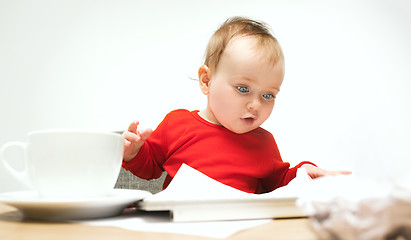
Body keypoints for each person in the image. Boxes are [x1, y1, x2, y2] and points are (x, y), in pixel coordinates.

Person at [122, 16, 351, 194]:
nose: (255, 105)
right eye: (243, 89)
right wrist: (134, 153)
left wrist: (302, 174)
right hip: (184, 224)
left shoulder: (263, 142)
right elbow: (150, 167)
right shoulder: (178, 124)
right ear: (206, 80)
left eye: (268, 95)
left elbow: (278, 182)